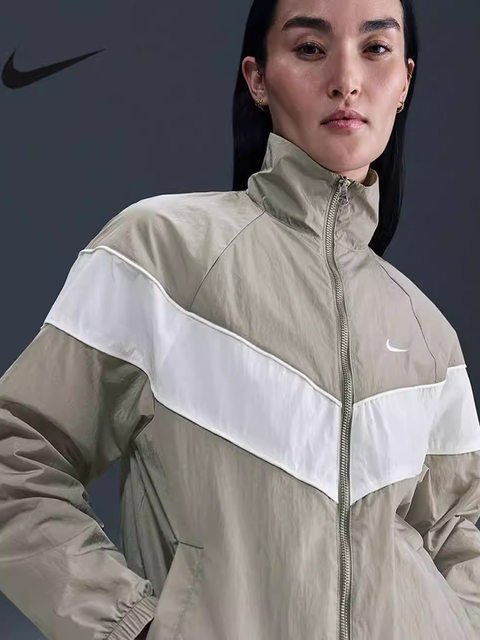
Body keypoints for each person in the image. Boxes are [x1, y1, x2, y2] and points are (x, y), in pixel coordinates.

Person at [1, 0, 479, 638]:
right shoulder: (162, 254)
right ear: (257, 78)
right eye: (310, 49)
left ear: (404, 83)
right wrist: (128, 626)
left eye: (375, 49)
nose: (346, 79)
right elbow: (15, 456)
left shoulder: (427, 332)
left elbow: (460, 536)